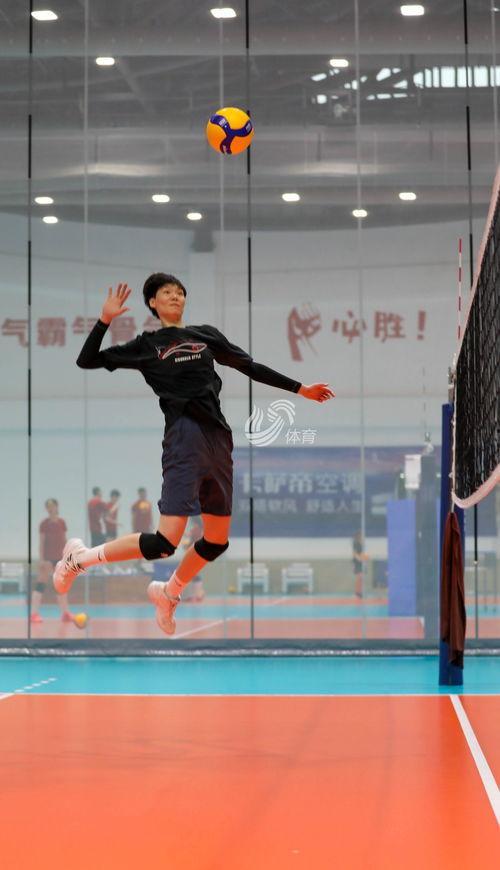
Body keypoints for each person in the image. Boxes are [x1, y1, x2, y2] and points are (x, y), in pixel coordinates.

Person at [53, 277, 335, 635]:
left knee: (216, 541)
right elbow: (87, 359)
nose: (175, 296)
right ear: (152, 303)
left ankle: (168, 593)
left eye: (180, 292)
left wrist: (300, 389)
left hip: (218, 438)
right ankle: (79, 559)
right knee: (164, 543)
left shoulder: (205, 335)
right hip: (184, 437)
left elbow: (250, 366)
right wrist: (104, 320)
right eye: (167, 292)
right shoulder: (147, 345)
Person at [31, 498, 78, 625]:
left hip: (60, 559)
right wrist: (42, 560)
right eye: (48, 507)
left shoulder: (62, 522)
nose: (50, 508)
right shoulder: (44, 524)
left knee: (61, 585)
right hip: (47, 559)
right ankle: (34, 614)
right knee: (41, 583)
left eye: (52, 506)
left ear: (57, 507)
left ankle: (65, 613)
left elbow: (64, 540)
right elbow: (41, 543)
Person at [181, 517, 205, 602]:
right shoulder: (199, 530)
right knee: (193, 574)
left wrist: (186, 546)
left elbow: (191, 540)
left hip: (194, 555)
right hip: (196, 554)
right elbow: (190, 538)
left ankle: (197, 595)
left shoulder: (196, 529)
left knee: (192, 574)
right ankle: (197, 595)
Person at [352, 530, 370, 600]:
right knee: (359, 577)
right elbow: (354, 553)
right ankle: (357, 593)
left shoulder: (361, 543)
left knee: (361, 577)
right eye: (361, 535)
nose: (362, 537)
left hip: (361, 561)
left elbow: (362, 553)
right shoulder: (355, 543)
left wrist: (365, 558)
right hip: (357, 562)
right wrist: (359, 559)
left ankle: (359, 592)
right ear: (358, 536)